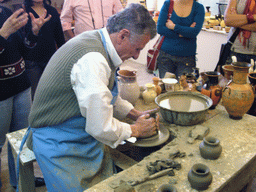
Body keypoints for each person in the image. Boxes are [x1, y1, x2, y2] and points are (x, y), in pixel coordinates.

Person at [28, 3, 158, 191]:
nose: (137, 57)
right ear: (122, 35)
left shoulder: (100, 41)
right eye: (137, 48)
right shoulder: (93, 60)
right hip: (56, 139)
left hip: (74, 128)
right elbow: (100, 126)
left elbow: (105, 95)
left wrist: (133, 113)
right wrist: (136, 130)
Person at [0, 3, 51, 189]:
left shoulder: (6, 12)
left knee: (22, 140)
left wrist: (33, 33)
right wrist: (3, 34)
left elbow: (24, 50)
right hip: (1, 94)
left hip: (21, 85)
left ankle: (21, 181)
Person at [24, 0, 65, 100]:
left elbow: (59, 36)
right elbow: (23, 39)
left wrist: (64, 56)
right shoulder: (24, 12)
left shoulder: (52, 11)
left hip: (50, 59)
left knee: (52, 92)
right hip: (32, 61)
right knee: (35, 95)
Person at [156, 0, 205, 79]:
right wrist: (182, 33)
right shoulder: (168, 4)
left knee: (184, 89)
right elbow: (160, 29)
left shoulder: (198, 8)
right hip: (166, 56)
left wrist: (174, 27)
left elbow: (194, 32)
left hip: (187, 58)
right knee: (166, 88)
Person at [224, 0, 256, 66]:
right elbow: (228, 20)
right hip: (235, 50)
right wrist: (253, 17)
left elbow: (231, 21)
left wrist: (236, 22)